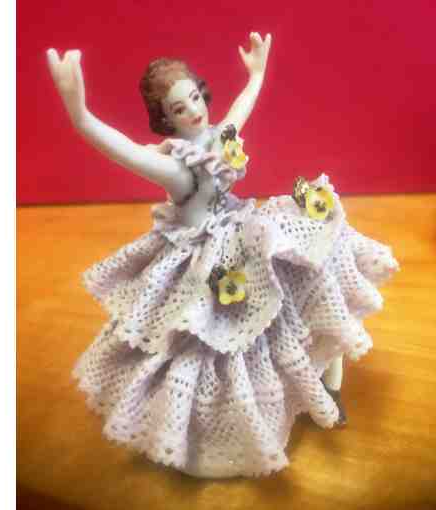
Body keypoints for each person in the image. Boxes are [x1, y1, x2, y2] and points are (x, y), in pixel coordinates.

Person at [47, 32, 398, 478]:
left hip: (244, 230)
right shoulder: (175, 168)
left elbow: (239, 109)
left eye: (195, 97)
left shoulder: (218, 136)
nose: (194, 111)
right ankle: (216, 426)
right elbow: (124, 151)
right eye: (179, 108)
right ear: (165, 118)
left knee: (309, 269)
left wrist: (257, 75)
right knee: (213, 341)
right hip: (204, 257)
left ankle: (329, 379)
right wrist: (80, 116)